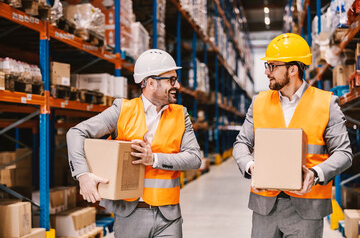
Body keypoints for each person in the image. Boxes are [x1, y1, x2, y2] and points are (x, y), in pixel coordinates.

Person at [67, 49, 201, 238]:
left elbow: (195, 159)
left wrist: (153, 158)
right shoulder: (122, 110)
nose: (177, 85)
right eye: (171, 80)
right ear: (151, 82)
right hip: (129, 213)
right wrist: (82, 175)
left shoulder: (181, 114)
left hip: (169, 217)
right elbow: (76, 133)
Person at [232, 33, 353, 238]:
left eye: (272, 66)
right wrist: (250, 166)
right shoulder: (259, 102)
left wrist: (315, 174)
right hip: (264, 206)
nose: (266, 72)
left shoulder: (326, 103)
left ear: (293, 69)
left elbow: (344, 154)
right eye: (267, 66)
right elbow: (241, 143)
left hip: (307, 208)